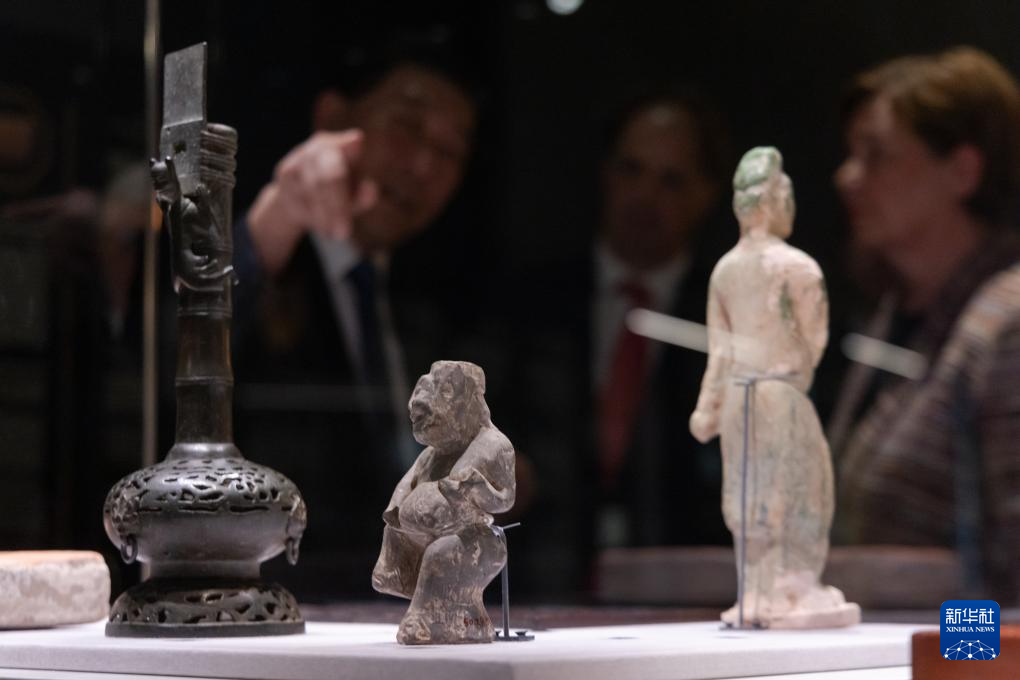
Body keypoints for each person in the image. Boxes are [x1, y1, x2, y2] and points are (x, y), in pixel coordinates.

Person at [231, 55, 478, 599]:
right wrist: (281, 211)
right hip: (267, 597)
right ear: (335, 119)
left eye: (448, 153)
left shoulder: (434, 300)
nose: (422, 167)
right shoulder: (274, 253)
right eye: (406, 128)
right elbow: (189, 341)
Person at [502, 92, 732, 596]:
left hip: (682, 594)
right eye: (631, 170)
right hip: (539, 583)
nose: (645, 196)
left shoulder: (727, 320)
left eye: (671, 180)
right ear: (605, 174)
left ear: (706, 194)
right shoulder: (531, 303)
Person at [830, 46, 1020, 603]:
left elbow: (1013, 575)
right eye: (851, 154)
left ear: (963, 171)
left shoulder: (1008, 324)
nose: (847, 177)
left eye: (876, 154)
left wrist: (963, 651)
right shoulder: (899, 317)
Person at [690, 147, 858, 628]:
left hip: (738, 398)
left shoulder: (725, 270)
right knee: (798, 490)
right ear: (774, 199)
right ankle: (789, 589)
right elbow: (814, 339)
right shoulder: (797, 267)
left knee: (748, 496)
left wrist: (708, 408)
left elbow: (720, 352)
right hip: (780, 394)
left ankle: (759, 592)